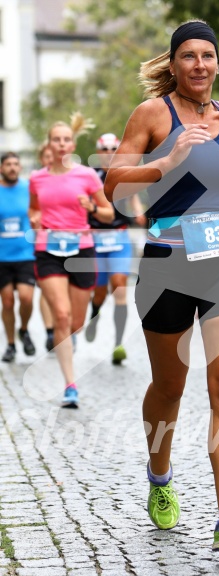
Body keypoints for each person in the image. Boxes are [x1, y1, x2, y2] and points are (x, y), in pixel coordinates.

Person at [104, 20, 219, 551]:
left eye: (208, 56)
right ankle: (159, 475)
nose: (200, 65)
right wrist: (166, 162)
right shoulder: (153, 114)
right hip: (167, 261)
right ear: (173, 65)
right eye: (189, 56)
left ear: (218, 63)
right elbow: (112, 182)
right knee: (169, 388)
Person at [29, 114, 114, 408]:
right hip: (48, 250)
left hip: (82, 250)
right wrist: (34, 218)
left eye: (66, 139)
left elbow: (108, 214)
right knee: (62, 317)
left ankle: (71, 337)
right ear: (49, 145)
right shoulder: (36, 178)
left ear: (73, 144)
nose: (62, 144)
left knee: (75, 322)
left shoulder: (87, 176)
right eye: (56, 139)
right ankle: (70, 385)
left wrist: (91, 206)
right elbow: (34, 209)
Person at [85, 132, 146, 364]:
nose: (110, 153)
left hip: (119, 238)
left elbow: (133, 198)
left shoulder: (124, 174)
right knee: (99, 291)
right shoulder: (91, 176)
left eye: (113, 149)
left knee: (119, 287)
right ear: (99, 152)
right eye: (105, 149)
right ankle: (94, 315)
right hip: (96, 238)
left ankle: (118, 343)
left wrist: (138, 211)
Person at [0, 152, 36, 362]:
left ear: (20, 167)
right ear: (1, 168)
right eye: (8, 164)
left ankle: (24, 329)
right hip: (2, 256)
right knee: (6, 302)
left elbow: (39, 210)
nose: (12, 168)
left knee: (26, 297)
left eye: (16, 164)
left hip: (25, 253)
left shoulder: (29, 188)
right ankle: (11, 344)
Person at [36, 141, 55, 352]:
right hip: (43, 240)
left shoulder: (71, 178)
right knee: (45, 287)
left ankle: (64, 327)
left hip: (69, 241)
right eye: (47, 157)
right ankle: (50, 331)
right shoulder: (37, 181)